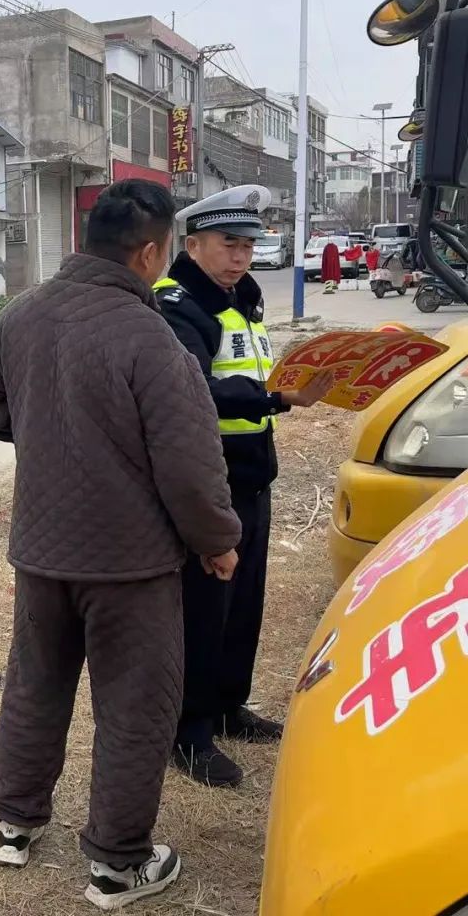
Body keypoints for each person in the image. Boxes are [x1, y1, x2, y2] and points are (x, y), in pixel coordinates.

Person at [0, 180, 241, 911]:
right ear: (149, 253)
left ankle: (15, 824)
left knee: (34, 684)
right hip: (130, 562)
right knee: (135, 707)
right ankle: (119, 864)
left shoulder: (18, 315)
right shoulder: (150, 336)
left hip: (42, 548)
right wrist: (218, 540)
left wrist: (51, 432)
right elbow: (189, 463)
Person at [154, 186, 337, 788]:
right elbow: (194, 392)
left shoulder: (242, 298)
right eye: (228, 244)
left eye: (248, 246)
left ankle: (229, 706)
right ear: (193, 245)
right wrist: (279, 398)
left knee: (243, 605)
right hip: (209, 479)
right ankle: (189, 732)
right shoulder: (176, 305)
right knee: (204, 610)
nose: (240, 257)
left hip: (253, 473)